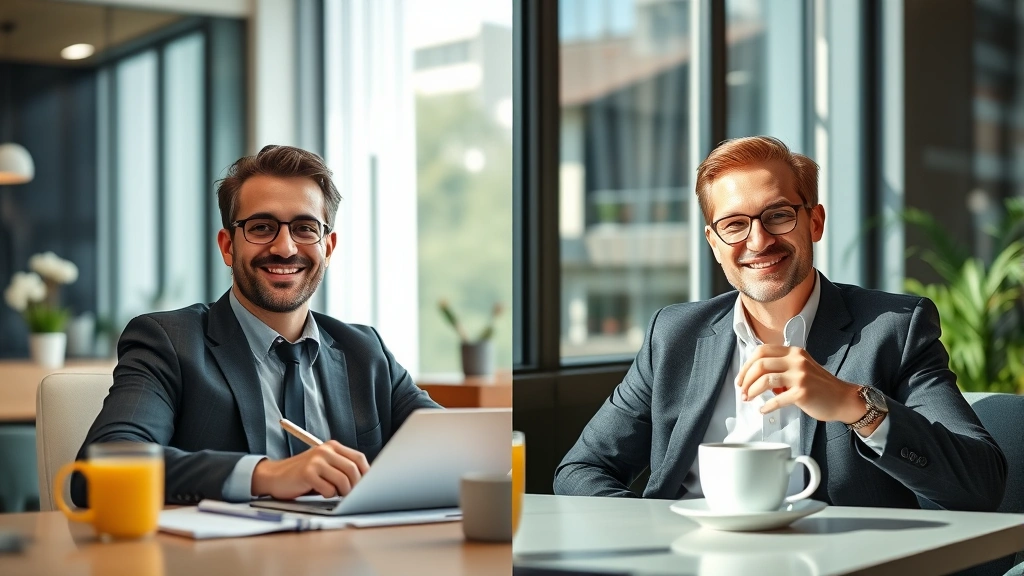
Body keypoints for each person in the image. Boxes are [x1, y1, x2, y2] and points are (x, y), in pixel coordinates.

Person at [554, 136, 1007, 511]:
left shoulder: (894, 329)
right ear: (713, 242)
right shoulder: (674, 336)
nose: (758, 240)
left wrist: (856, 406)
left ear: (814, 221)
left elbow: (982, 484)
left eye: (778, 215)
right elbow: (581, 471)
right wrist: (656, 537)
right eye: (734, 224)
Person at [73, 145, 440, 506]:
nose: (284, 247)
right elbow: (103, 466)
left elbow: (455, 448)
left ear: (327, 248)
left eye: (304, 228)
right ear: (228, 246)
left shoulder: (365, 350)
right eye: (262, 227)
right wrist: (265, 475)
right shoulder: (170, 341)